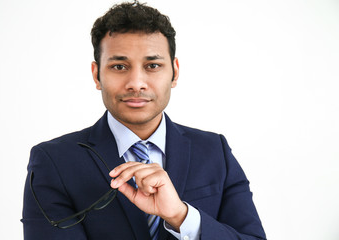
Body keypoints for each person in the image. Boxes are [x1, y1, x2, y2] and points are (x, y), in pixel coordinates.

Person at [21, 1, 266, 239]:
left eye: (152, 65)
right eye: (119, 66)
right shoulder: (53, 162)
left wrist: (181, 217)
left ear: (175, 72)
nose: (136, 83)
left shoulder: (215, 151)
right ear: (97, 75)